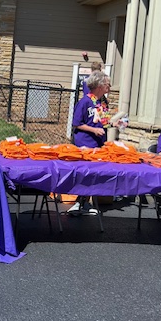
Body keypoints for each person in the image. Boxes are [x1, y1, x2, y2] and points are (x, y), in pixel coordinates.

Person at [69, 70, 112, 215]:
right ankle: (77, 203)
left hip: (98, 144)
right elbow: (76, 123)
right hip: (85, 143)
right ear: (99, 86)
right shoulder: (85, 102)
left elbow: (103, 122)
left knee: (92, 175)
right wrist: (93, 130)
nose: (109, 87)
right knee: (84, 174)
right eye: (107, 84)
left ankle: (85, 203)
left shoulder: (102, 102)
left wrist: (116, 123)